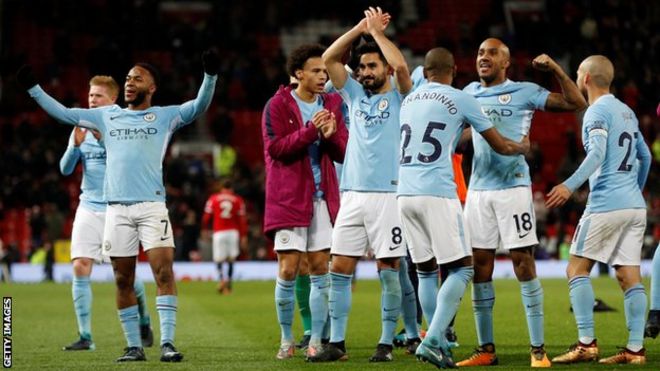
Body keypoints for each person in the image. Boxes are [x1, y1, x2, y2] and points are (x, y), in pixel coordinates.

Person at [17, 49, 218, 362]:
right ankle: (133, 346)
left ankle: (167, 343)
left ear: (152, 88)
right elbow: (63, 113)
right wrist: (34, 88)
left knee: (164, 273)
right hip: (116, 210)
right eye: (127, 78)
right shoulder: (106, 115)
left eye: (137, 78)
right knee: (123, 279)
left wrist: (210, 76)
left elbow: (199, 106)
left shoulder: (165, 116)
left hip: (152, 206)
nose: (129, 82)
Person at [457, 38, 587, 368]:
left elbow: (576, 102)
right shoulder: (468, 92)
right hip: (478, 192)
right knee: (480, 268)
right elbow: (458, 136)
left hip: (513, 190)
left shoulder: (525, 91)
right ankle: (486, 349)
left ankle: (538, 351)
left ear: (506, 63)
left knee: (523, 264)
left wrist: (556, 68)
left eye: (492, 53)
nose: (483, 57)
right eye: (480, 52)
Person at [398, 47, 530, 368]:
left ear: (425, 71)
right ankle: (432, 341)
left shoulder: (409, 100)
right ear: (454, 70)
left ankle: (438, 339)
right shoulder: (461, 98)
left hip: (404, 193)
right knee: (462, 268)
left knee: (425, 270)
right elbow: (498, 143)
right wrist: (522, 146)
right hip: (438, 192)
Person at [309, 7, 413, 363]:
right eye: (363, 67)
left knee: (388, 269)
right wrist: (360, 28)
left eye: (372, 66)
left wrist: (379, 36)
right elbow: (328, 58)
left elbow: (401, 68)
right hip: (351, 193)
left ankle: (385, 344)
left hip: (388, 193)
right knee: (339, 267)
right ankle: (336, 343)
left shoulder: (401, 96)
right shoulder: (353, 95)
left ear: (382, 68)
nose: (366, 72)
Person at [547, 55, 651, 365]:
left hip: (606, 204)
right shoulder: (627, 112)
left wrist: (569, 184)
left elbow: (597, 154)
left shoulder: (596, 112)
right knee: (629, 276)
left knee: (575, 270)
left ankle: (586, 344)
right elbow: (644, 156)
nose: (577, 76)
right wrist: (634, 190)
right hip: (635, 206)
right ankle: (635, 350)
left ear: (587, 78)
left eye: (578, 72)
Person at [260, 43, 347, 360]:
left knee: (319, 269)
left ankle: (316, 342)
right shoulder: (278, 105)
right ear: (298, 74)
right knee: (288, 268)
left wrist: (332, 135)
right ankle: (286, 339)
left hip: (322, 198)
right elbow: (277, 149)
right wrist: (313, 130)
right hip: (288, 198)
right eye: (316, 71)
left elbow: (342, 152)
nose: (323, 76)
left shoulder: (333, 103)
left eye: (325, 70)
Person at [60, 76, 153, 351]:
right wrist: (74, 145)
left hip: (117, 206)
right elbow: (66, 170)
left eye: (98, 96)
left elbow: (128, 164)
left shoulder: (124, 126)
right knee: (79, 265)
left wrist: (103, 142)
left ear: (113, 100)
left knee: (125, 275)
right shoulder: (81, 129)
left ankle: (144, 318)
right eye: (90, 96)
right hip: (89, 205)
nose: (92, 101)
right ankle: (86, 337)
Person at [201, 177, 248, 295]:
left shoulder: (213, 199)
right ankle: (229, 284)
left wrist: (204, 229)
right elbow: (242, 220)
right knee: (231, 259)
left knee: (219, 259)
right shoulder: (238, 200)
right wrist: (243, 236)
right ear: (231, 188)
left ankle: (222, 280)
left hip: (219, 232)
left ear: (221, 188)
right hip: (233, 232)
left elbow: (206, 217)